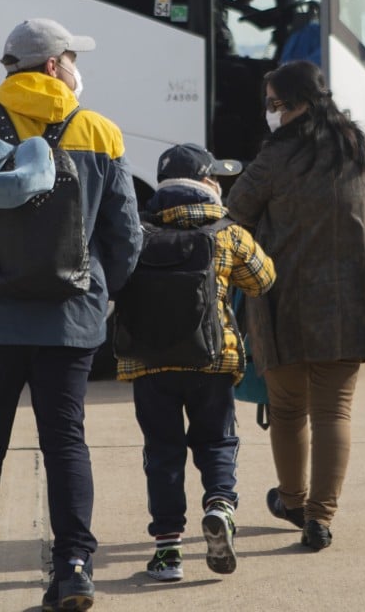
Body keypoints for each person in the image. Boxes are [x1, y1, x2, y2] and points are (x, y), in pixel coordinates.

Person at [0, 18, 142, 611]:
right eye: (70, 57)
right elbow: (126, 236)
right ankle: (72, 567)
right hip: (71, 322)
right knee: (66, 439)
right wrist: (103, 294)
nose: (74, 67)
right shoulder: (100, 131)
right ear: (51, 67)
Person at [226, 59, 365, 551]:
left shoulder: (274, 158)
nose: (272, 113)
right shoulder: (356, 146)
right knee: (334, 411)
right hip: (351, 296)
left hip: (283, 296)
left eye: (277, 103)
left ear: (300, 102)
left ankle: (293, 501)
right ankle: (320, 518)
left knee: (287, 408)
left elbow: (236, 211)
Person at [116, 143, 275, 582]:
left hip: (149, 364)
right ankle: (220, 505)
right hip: (212, 360)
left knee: (162, 453)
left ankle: (167, 552)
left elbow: (114, 279)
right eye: (216, 178)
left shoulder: (138, 231)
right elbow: (264, 279)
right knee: (216, 441)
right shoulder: (226, 231)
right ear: (205, 183)